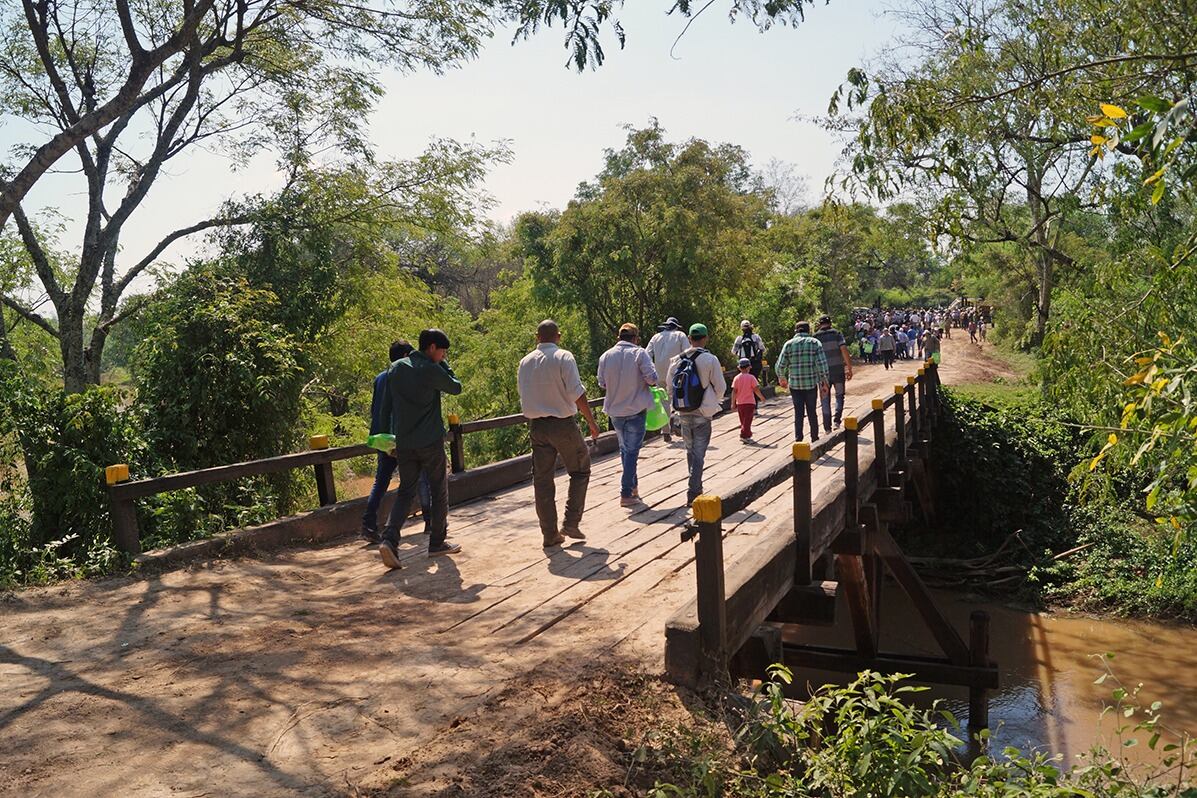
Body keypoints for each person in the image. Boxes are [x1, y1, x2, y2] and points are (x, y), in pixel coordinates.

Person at [377, 329, 463, 569]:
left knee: (405, 491)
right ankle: (437, 542)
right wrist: (445, 366)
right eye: (443, 351)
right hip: (430, 442)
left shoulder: (396, 368)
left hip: (404, 443)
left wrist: (386, 441)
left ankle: (389, 540)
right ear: (432, 347)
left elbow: (386, 408)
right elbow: (456, 387)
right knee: (439, 489)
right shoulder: (430, 369)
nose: (443, 355)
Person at [518, 319, 601, 547]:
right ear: (559, 336)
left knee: (542, 481)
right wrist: (592, 423)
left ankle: (550, 534)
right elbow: (577, 393)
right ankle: (571, 522)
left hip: (537, 427)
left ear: (537, 337)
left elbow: (523, 395)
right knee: (580, 470)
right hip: (562, 424)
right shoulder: (564, 357)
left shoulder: (524, 362)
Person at [361, 340, 431, 544]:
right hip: (402, 437)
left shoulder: (379, 378)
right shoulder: (401, 376)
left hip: (383, 438)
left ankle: (368, 523)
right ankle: (430, 520)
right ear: (405, 356)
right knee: (422, 477)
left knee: (381, 480)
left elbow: (376, 409)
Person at [666, 323, 727, 505]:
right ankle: (693, 490)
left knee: (690, 451)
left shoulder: (676, 360)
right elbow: (721, 387)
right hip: (703, 412)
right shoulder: (710, 359)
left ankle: (696, 486)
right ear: (705, 338)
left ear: (690, 339)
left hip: (683, 412)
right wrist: (712, 401)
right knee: (699, 454)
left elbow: (670, 386)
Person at [597, 323, 657, 507]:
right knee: (631, 451)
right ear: (636, 338)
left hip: (615, 411)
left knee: (625, 450)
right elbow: (652, 379)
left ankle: (633, 487)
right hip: (635, 410)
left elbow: (602, 383)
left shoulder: (606, 356)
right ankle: (625, 492)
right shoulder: (639, 353)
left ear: (618, 338)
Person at [776, 321, 829, 443]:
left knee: (798, 412)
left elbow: (780, 365)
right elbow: (822, 365)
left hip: (795, 385)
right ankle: (815, 439)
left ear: (796, 331)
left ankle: (798, 439)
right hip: (810, 384)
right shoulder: (815, 343)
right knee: (812, 412)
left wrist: (781, 378)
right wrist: (824, 382)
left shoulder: (788, 344)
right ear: (808, 330)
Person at [645, 316, 688, 442]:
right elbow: (687, 352)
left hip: (659, 374)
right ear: (676, 326)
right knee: (679, 399)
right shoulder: (680, 335)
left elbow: (647, 354)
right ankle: (677, 423)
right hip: (675, 373)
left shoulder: (656, 337)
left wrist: (652, 369)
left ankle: (666, 432)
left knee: (663, 402)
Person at [814, 315, 853, 433]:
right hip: (838, 370)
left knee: (825, 399)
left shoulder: (815, 337)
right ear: (830, 323)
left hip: (822, 373)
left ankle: (827, 427)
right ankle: (836, 421)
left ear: (820, 324)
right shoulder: (837, 334)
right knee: (840, 395)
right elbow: (844, 349)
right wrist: (849, 367)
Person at [731, 357, 766, 441]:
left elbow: (734, 391)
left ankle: (747, 433)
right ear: (749, 367)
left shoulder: (736, 378)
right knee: (748, 420)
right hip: (750, 402)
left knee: (743, 420)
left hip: (740, 403)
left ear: (739, 368)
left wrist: (733, 403)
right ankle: (744, 435)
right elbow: (755, 389)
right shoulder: (751, 378)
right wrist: (761, 397)